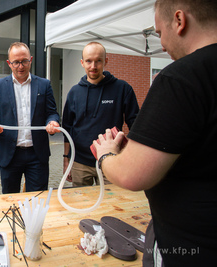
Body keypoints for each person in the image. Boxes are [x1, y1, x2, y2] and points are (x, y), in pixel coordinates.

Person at [92, 1, 217, 266]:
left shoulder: (183, 78)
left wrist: (106, 154)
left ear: (179, 20)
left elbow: (130, 174)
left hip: (188, 249)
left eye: (160, 32)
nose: (161, 45)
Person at [0, 42, 60, 194]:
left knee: (38, 199)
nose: (20, 66)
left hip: (37, 154)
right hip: (9, 154)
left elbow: (52, 112)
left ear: (30, 60)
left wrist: (52, 121)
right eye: (16, 62)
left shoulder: (44, 85)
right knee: (11, 200)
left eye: (24, 61)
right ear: (9, 63)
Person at [62, 42, 139, 187]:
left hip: (111, 160)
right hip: (80, 162)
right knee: (81, 204)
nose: (93, 66)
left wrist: (132, 155)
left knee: (111, 204)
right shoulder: (74, 92)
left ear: (106, 61)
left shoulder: (122, 89)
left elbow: (135, 123)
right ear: (82, 63)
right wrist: (66, 159)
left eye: (98, 60)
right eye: (89, 61)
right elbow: (67, 128)